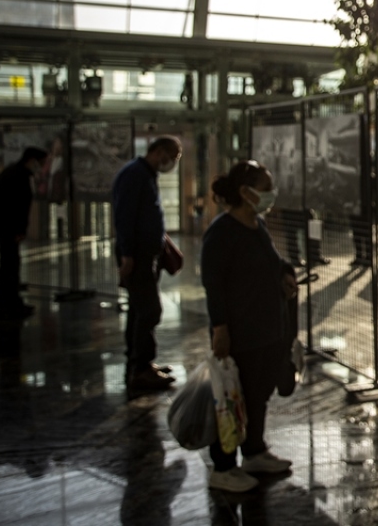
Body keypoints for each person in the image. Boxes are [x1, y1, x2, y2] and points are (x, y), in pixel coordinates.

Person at [201, 160, 298, 493]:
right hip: (241, 333)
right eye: (265, 187)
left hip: (267, 330)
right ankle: (224, 465)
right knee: (232, 398)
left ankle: (254, 451)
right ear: (245, 192)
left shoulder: (258, 225)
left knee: (257, 397)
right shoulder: (222, 232)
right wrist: (220, 328)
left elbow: (273, 262)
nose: (271, 193)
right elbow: (214, 285)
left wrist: (285, 275)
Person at [112, 136, 182, 392]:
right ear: (159, 151)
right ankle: (141, 368)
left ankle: (138, 362)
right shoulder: (135, 175)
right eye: (172, 157)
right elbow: (124, 217)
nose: (171, 163)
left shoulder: (145, 175)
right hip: (137, 255)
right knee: (150, 310)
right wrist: (127, 254)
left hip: (144, 254)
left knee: (139, 309)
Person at [0, 147, 47, 320]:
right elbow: (16, 206)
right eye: (40, 163)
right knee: (10, 265)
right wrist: (18, 230)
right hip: (7, 227)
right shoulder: (18, 176)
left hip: (4, 226)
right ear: (32, 160)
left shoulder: (14, 172)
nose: (41, 167)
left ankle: (10, 303)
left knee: (9, 264)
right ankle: (9, 305)